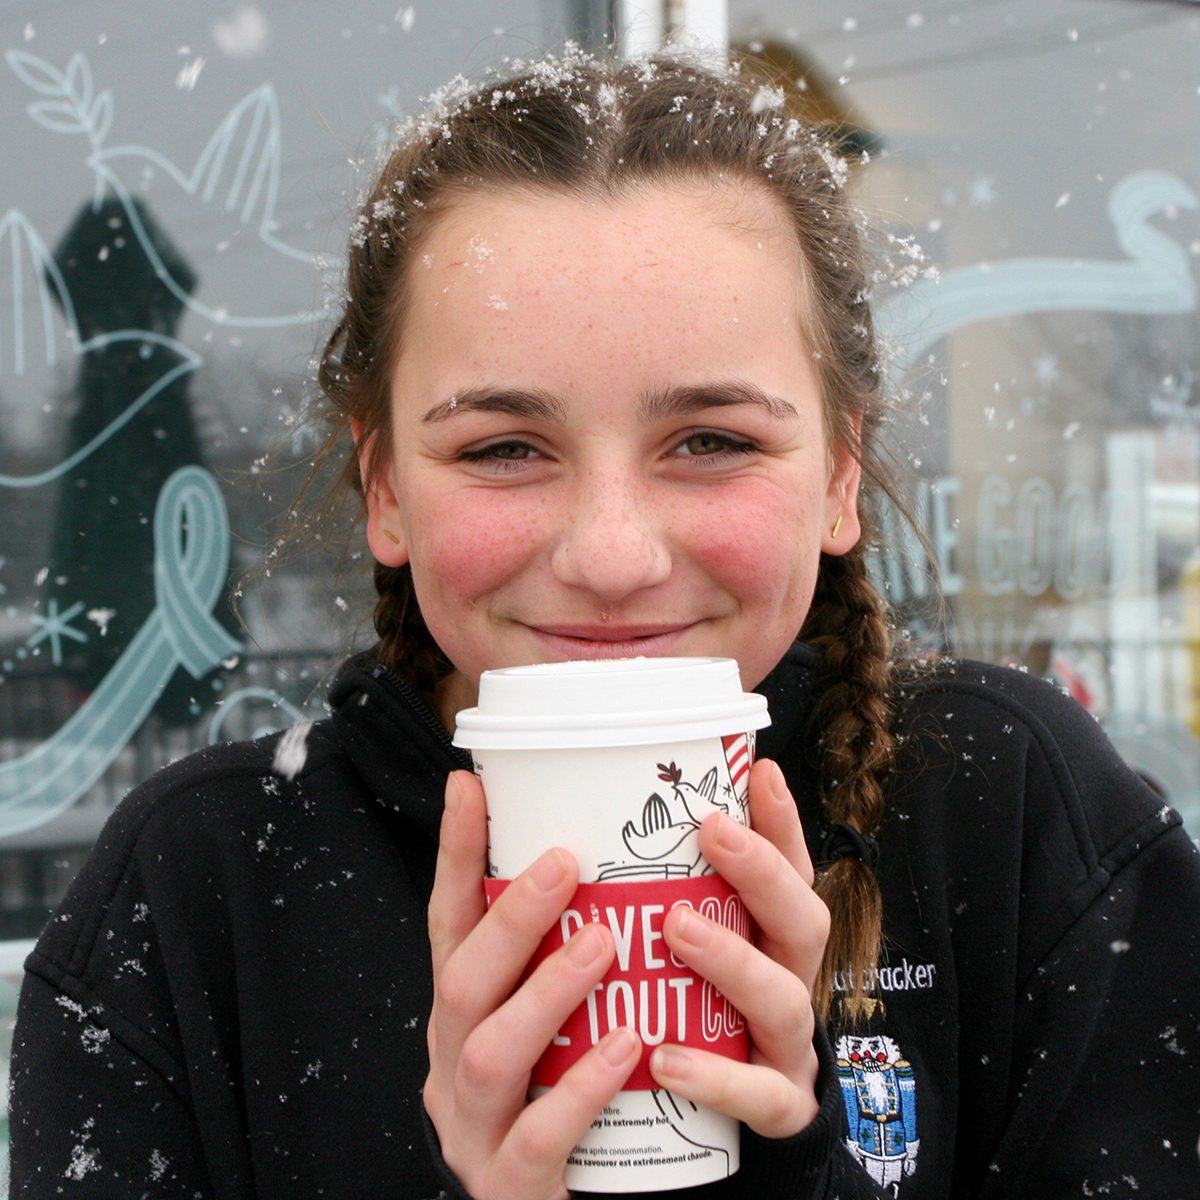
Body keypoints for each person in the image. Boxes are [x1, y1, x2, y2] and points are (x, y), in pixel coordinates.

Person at [8, 49, 1199, 1200]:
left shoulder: (1011, 814)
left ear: (841, 470)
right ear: (384, 489)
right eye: (506, 449)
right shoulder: (195, 900)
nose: (613, 557)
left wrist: (782, 1168)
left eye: (711, 440)